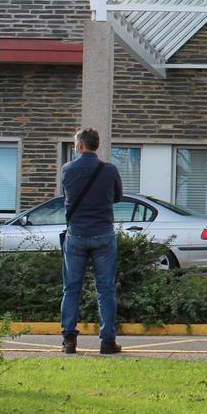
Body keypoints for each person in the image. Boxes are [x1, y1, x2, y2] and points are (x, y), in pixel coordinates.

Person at [59, 127, 123, 355]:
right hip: (103, 234)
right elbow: (118, 197)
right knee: (105, 289)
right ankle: (107, 341)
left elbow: (67, 197)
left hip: (76, 235)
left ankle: (69, 340)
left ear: (80, 145)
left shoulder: (67, 170)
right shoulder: (109, 170)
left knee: (71, 288)